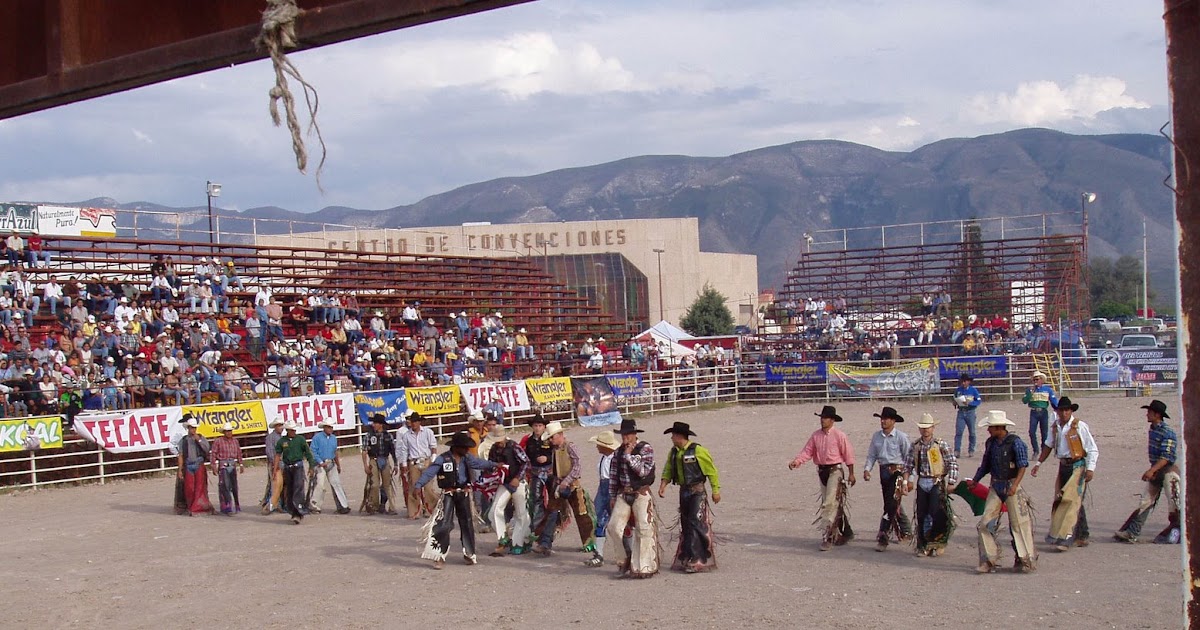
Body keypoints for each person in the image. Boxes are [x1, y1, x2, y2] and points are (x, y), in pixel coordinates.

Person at [416, 431, 499, 569]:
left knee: (466, 523)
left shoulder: (467, 458)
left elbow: (479, 463)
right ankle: (439, 556)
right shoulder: (443, 459)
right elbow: (431, 471)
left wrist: (493, 464)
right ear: (456, 447)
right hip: (448, 493)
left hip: (463, 492)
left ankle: (469, 553)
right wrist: (419, 484)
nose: (466, 449)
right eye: (463, 447)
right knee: (443, 524)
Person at [968, 410, 1036, 573]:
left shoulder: (1016, 443)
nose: (988, 430)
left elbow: (1022, 466)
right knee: (985, 523)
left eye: (990, 427)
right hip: (996, 485)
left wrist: (1015, 485)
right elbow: (985, 464)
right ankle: (988, 559)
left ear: (999, 427)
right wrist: (976, 480)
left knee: (1019, 523)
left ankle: (1025, 558)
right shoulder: (990, 443)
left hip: (1011, 485)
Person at [1030, 396, 1097, 550]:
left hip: (1077, 466)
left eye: (1067, 410)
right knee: (1068, 500)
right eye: (1062, 410)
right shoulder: (1055, 427)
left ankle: (1066, 536)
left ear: (1071, 411)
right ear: (1058, 411)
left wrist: (1090, 469)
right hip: (1064, 466)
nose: (1064, 413)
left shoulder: (1080, 426)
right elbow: (1048, 445)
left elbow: (1092, 448)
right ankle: (1082, 534)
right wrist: (1039, 463)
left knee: (1070, 501)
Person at [596, 419, 659, 578]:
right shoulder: (618, 452)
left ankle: (644, 566)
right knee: (614, 527)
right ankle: (624, 559)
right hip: (624, 493)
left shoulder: (645, 448)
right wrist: (612, 495)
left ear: (634, 434)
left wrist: (629, 456)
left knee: (644, 528)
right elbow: (613, 475)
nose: (625, 437)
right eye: (623, 434)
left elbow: (643, 472)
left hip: (640, 492)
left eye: (627, 434)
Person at [788, 405, 856, 551]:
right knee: (830, 503)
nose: (822, 420)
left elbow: (848, 455)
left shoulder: (840, 436)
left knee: (830, 503)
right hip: (822, 471)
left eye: (825, 418)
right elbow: (807, 451)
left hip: (835, 470)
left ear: (832, 420)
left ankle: (829, 535)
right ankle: (846, 531)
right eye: (822, 418)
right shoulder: (816, 436)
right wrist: (797, 461)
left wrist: (851, 473)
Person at [1115, 399, 1180, 544]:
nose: (1147, 414)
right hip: (1158, 469)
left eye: (1149, 412)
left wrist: (1152, 470)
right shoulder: (1153, 429)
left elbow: (1166, 457)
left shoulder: (1167, 432)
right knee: (1145, 501)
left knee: (1174, 504)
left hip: (1167, 471)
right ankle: (1132, 532)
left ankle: (1178, 531)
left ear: (1157, 414)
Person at [659, 421, 721, 573]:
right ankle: (688, 555)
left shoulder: (698, 451)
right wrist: (663, 484)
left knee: (695, 522)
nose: (672, 438)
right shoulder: (674, 452)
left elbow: (711, 471)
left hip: (697, 490)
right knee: (686, 523)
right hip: (684, 490)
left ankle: (696, 557)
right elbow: (668, 469)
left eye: (673, 435)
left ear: (680, 436)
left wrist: (715, 490)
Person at [532, 421, 597, 557]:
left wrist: (566, 481)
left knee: (582, 513)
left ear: (560, 435)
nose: (550, 440)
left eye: (552, 437)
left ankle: (590, 543)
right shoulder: (555, 449)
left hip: (572, 485)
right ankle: (545, 543)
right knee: (552, 513)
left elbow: (577, 467)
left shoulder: (570, 446)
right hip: (559, 485)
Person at [902, 413, 959, 557]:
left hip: (936, 481)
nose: (925, 430)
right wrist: (905, 481)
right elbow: (908, 466)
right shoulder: (915, 446)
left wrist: (951, 482)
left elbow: (952, 462)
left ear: (933, 428)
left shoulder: (940, 445)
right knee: (922, 514)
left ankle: (937, 542)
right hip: (922, 481)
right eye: (923, 428)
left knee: (937, 512)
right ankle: (924, 544)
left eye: (928, 427)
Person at [862, 406, 912, 552]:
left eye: (886, 419)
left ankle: (884, 534)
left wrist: (909, 479)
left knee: (890, 504)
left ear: (893, 421)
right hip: (883, 472)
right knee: (892, 503)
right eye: (882, 418)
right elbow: (872, 455)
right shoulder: (876, 436)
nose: (883, 421)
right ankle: (906, 530)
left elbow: (909, 459)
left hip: (898, 473)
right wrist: (867, 469)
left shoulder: (901, 437)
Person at [486, 424, 531, 556]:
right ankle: (503, 538)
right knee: (494, 510)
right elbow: (490, 464)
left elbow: (526, 462)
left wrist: (518, 477)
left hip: (518, 482)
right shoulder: (493, 449)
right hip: (504, 482)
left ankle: (518, 542)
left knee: (522, 513)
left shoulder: (514, 447)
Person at [396, 410, 439, 519]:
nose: (413, 423)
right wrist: (404, 464)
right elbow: (404, 450)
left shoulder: (428, 432)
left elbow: (433, 446)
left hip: (426, 460)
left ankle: (431, 509)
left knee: (428, 487)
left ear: (420, 422)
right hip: (413, 462)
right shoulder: (406, 435)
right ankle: (414, 511)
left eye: (415, 421)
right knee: (414, 487)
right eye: (412, 421)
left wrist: (433, 459)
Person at [585, 430, 619, 567]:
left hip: (611, 489)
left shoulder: (614, 459)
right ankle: (599, 553)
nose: (596, 446)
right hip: (603, 488)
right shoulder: (605, 458)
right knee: (599, 521)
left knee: (617, 524)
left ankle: (625, 553)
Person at [275, 421, 316, 524]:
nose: (293, 431)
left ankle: (298, 512)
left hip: (298, 466)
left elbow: (308, 453)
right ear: (287, 430)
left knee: (298, 487)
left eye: (294, 429)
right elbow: (278, 454)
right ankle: (294, 511)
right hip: (288, 467)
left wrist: (311, 466)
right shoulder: (282, 441)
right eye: (291, 430)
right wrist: (275, 468)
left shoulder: (300, 440)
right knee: (290, 490)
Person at [309, 419, 351, 515]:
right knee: (320, 484)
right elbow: (313, 451)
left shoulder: (333, 438)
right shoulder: (317, 438)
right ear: (324, 427)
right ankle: (314, 505)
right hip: (320, 463)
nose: (330, 429)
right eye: (328, 427)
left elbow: (335, 452)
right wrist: (319, 461)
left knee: (336, 484)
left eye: (331, 427)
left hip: (330, 462)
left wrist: (338, 464)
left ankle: (343, 505)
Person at [360, 413, 399, 515]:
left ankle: (391, 506)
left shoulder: (388, 436)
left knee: (387, 485)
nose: (374, 425)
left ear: (381, 424)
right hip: (374, 460)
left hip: (385, 459)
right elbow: (364, 451)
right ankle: (374, 505)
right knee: (375, 485)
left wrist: (395, 464)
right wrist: (365, 465)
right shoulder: (369, 435)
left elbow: (393, 451)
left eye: (376, 423)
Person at [176, 415, 213, 515]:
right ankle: (192, 506)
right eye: (192, 428)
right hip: (188, 465)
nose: (193, 429)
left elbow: (207, 449)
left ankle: (197, 508)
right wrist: (180, 470)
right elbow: (181, 455)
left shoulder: (201, 438)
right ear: (188, 428)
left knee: (199, 487)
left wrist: (199, 441)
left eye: (194, 428)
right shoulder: (184, 441)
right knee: (189, 488)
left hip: (198, 463)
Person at [522, 414, 554, 530]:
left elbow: (556, 454)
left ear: (544, 427)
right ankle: (538, 523)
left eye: (540, 425)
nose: (537, 428)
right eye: (535, 425)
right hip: (535, 472)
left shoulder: (550, 439)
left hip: (550, 472)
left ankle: (555, 521)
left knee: (554, 497)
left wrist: (548, 459)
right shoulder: (529, 441)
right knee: (535, 497)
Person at [209, 422, 244, 516]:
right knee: (225, 485)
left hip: (232, 464)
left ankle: (236, 504)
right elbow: (213, 453)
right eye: (227, 431)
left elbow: (239, 453)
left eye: (230, 431)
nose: (229, 433)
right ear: (224, 432)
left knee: (234, 486)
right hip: (223, 464)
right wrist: (213, 466)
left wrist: (241, 464)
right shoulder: (218, 441)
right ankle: (227, 506)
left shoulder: (235, 441)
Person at [1021, 371, 1057, 460]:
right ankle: (1035, 450)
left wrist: (1058, 408)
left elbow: (1054, 401)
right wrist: (1030, 393)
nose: (1035, 381)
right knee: (1031, 432)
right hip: (1034, 412)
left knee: (1044, 432)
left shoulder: (1048, 390)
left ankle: (1043, 450)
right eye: (1034, 379)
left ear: (1041, 380)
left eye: (1037, 379)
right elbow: (1025, 401)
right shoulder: (1029, 390)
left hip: (1043, 412)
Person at [952, 373, 982, 457]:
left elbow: (978, 401)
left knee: (972, 432)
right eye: (962, 381)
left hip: (970, 412)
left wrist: (970, 403)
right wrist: (955, 403)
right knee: (959, 432)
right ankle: (957, 450)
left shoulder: (973, 390)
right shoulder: (958, 390)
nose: (963, 383)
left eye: (965, 381)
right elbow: (954, 399)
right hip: (961, 411)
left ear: (968, 382)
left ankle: (971, 449)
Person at [260, 418, 286, 514]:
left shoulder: (281, 438)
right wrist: (274, 463)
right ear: (275, 427)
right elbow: (270, 451)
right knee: (276, 484)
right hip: (275, 463)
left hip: (281, 463)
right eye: (279, 425)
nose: (281, 427)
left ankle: (277, 504)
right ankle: (271, 504)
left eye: (281, 425)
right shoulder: (271, 437)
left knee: (280, 484)